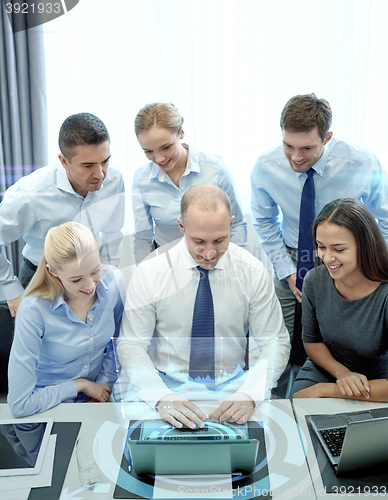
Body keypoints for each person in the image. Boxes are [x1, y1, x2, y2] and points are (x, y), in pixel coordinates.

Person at [118, 184, 290, 429]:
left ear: (231, 225)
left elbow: (274, 341)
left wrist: (250, 394)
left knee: (261, 454)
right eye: (198, 241)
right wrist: (161, 397)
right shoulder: (150, 271)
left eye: (219, 240)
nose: (209, 253)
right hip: (163, 385)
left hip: (233, 387)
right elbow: (131, 344)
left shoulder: (252, 271)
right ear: (181, 227)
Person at [251, 93, 388, 340]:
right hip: (293, 256)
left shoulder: (361, 163)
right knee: (280, 339)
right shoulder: (265, 166)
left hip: (348, 258)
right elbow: (264, 220)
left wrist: (370, 263)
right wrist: (286, 270)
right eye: (288, 146)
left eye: (306, 148)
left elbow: (386, 218)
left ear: (327, 138)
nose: (295, 157)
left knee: (338, 338)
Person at [0, 112, 125, 317]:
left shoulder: (115, 179)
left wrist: (107, 277)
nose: (100, 174)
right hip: (43, 280)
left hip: (91, 277)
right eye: (88, 166)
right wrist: (11, 291)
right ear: (64, 161)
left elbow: (113, 232)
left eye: (105, 161)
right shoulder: (30, 193)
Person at [7, 222, 125, 418]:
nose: (90, 286)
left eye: (95, 270)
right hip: (45, 407)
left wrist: (102, 386)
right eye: (76, 279)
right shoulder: (34, 309)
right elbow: (20, 405)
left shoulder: (114, 282)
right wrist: (80, 386)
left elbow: (119, 343)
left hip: (97, 400)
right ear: (52, 271)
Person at [291, 199, 388, 402]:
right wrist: (342, 374)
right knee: (298, 408)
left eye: (338, 249)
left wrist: (327, 390)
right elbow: (312, 342)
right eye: (321, 247)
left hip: (379, 380)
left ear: (365, 245)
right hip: (326, 367)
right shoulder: (314, 280)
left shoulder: (385, 293)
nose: (326, 258)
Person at [132, 102, 247, 264]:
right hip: (169, 266)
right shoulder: (141, 180)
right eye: (149, 151)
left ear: (181, 133)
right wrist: (142, 276)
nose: (158, 158)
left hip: (217, 262)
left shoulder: (215, 168)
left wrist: (237, 265)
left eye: (165, 147)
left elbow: (237, 224)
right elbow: (143, 238)